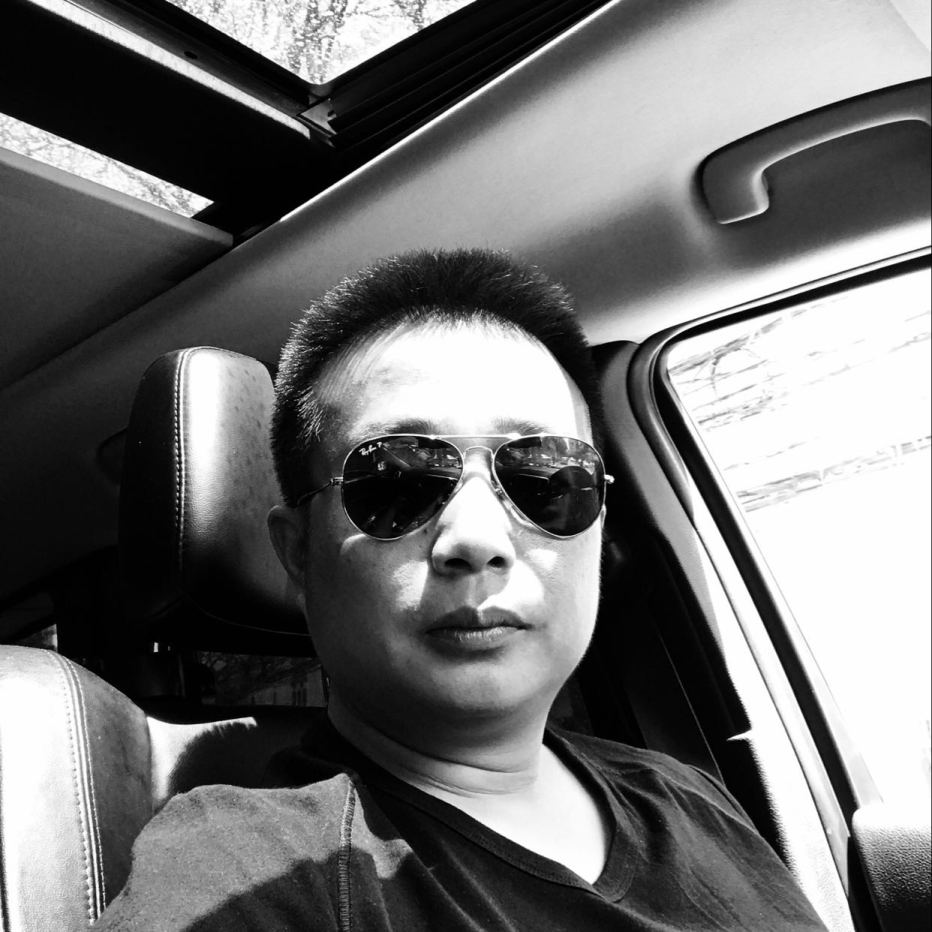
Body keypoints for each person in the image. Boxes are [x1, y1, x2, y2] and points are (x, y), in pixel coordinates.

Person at [94, 249, 827, 930]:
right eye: (396, 482)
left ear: (599, 528)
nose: (476, 537)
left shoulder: (690, 796)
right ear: (299, 553)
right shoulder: (247, 869)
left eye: (546, 480)